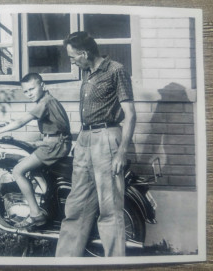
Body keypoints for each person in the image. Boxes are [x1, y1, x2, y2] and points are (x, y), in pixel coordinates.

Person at [55, 31, 136, 257]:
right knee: (76, 206)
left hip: (107, 139)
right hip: (85, 140)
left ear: (85, 53)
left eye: (73, 57)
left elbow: (130, 114)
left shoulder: (116, 71)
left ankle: (114, 263)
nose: (72, 62)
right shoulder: (87, 74)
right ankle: (65, 262)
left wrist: (122, 152)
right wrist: (81, 142)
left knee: (110, 209)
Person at [0, 73, 72, 229]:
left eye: (32, 89)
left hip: (54, 146)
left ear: (42, 86)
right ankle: (44, 196)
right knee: (25, 158)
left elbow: (21, 121)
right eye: (26, 91)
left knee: (18, 171)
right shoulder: (48, 102)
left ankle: (35, 214)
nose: (29, 93)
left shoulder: (46, 102)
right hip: (54, 143)